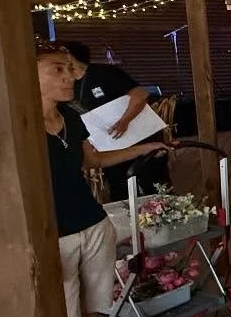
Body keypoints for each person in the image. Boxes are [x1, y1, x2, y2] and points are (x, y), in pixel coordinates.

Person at [0, 43, 170, 317]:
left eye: (68, 69)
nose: (69, 76)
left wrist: (145, 147)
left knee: (90, 315)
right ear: (27, 75)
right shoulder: (16, 127)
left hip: (92, 226)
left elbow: (94, 161)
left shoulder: (70, 117)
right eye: (57, 70)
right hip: (49, 238)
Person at [62, 41, 166, 200]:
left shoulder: (104, 72)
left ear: (69, 56)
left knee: (155, 187)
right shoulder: (68, 86)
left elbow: (140, 95)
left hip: (140, 138)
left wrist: (124, 121)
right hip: (109, 147)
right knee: (120, 191)